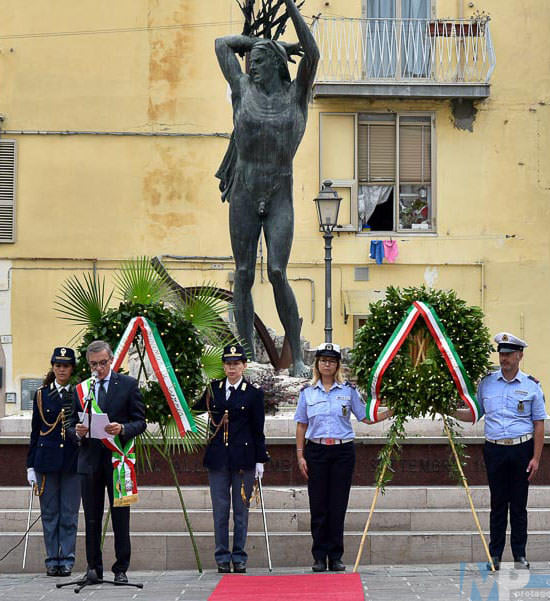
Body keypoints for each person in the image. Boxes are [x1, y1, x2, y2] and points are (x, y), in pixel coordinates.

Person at [214, 0, 319, 376]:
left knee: (276, 270)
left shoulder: (297, 97)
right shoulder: (242, 89)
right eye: (250, 62)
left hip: (278, 194)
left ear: (275, 64)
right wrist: (257, 40)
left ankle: (299, 360)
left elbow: (314, 52)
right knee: (242, 273)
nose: (250, 66)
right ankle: (244, 357)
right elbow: (221, 44)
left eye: (258, 61)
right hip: (243, 190)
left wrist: (289, 9)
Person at [294, 342, 394, 572]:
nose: (326, 364)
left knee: (338, 505)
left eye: (331, 361)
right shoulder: (307, 393)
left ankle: (336, 556)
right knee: (318, 505)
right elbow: (301, 425)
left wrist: (392, 410)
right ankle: (319, 556)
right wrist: (300, 455)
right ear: (317, 364)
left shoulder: (348, 391)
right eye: (322, 360)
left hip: (342, 452)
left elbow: (365, 417)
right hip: (316, 451)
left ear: (337, 364)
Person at [454, 332, 547, 571]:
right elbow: (475, 415)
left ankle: (519, 555)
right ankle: (494, 554)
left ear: (520, 356)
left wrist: (536, 458)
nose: (503, 358)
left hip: (521, 449)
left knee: (518, 504)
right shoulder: (487, 383)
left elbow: (539, 423)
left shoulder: (531, 386)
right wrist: (447, 411)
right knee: (497, 504)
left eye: (508, 354)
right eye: (501, 354)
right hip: (495, 449)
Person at [67, 340, 146, 584]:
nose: (98, 368)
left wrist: (122, 427)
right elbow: (70, 425)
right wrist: (77, 431)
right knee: (91, 517)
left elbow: (140, 421)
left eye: (102, 363)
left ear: (111, 360)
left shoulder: (127, 385)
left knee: (120, 516)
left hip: (117, 461)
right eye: (93, 365)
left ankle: (121, 568)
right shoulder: (82, 389)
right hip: (89, 461)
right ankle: (94, 567)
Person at [193, 344, 268, 573]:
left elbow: (258, 429)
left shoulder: (253, 394)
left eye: (236, 364)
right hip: (218, 458)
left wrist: (260, 460)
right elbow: (194, 409)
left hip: (244, 459)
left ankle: (239, 555)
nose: (232, 368)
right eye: (228, 364)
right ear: (223, 366)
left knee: (241, 510)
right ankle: (222, 556)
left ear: (244, 366)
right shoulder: (213, 389)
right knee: (220, 510)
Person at [26, 347, 81, 577]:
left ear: (72, 369)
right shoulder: (41, 395)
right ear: (53, 367)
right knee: (49, 515)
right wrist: (30, 466)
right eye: (57, 365)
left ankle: (67, 559)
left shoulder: (80, 394)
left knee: (69, 514)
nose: (61, 369)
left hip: (72, 462)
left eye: (66, 365)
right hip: (46, 463)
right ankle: (52, 560)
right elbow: (35, 432)